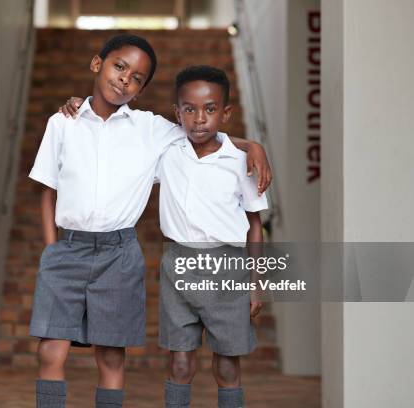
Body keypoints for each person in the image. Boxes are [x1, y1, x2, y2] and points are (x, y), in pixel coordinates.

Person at [31, 35, 270, 408]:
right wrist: (51, 251)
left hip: (119, 253)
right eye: (119, 67)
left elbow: (203, 133)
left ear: (141, 91)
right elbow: (48, 191)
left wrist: (251, 145)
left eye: (137, 78)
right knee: (50, 353)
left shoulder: (150, 130)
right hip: (68, 249)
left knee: (110, 356)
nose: (125, 79)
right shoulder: (64, 123)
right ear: (98, 64)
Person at [156, 65, 268, 408]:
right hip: (177, 264)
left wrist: (256, 282)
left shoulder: (241, 162)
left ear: (225, 112)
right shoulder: (166, 149)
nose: (199, 119)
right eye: (189, 109)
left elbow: (255, 225)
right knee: (179, 362)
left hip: (228, 267)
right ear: (177, 113)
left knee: (227, 363)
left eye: (210, 109)